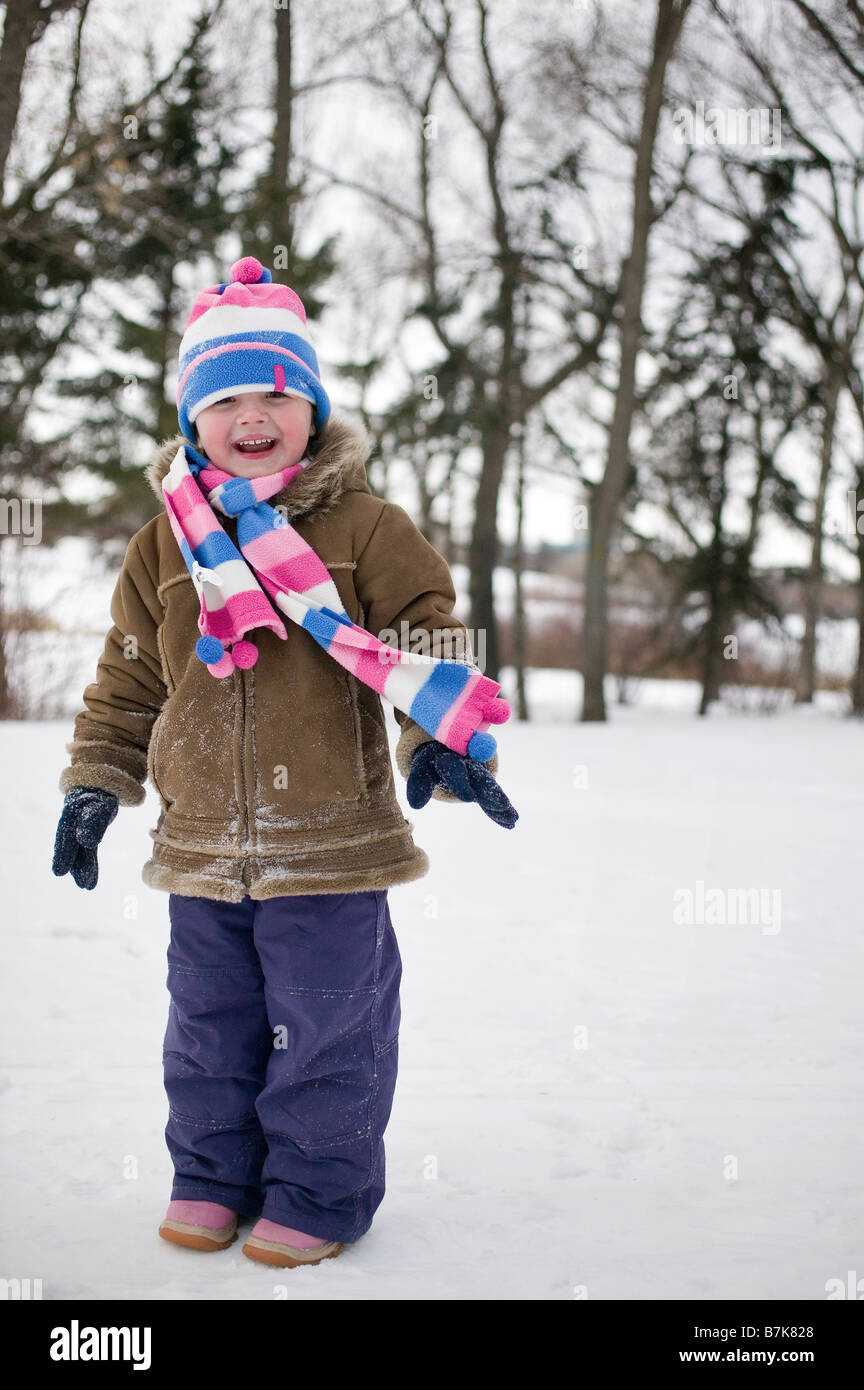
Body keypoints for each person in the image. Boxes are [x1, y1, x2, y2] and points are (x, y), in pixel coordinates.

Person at [52, 255, 518, 1269]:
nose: (252, 415)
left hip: (333, 839)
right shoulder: (161, 544)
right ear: (191, 419)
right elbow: (129, 678)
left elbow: (425, 644)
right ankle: (213, 1175)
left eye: (276, 392)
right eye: (225, 397)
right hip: (202, 842)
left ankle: (319, 1189)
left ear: (312, 406)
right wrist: (96, 779)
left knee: (327, 1028)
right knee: (208, 1029)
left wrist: (443, 737)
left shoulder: (367, 528)